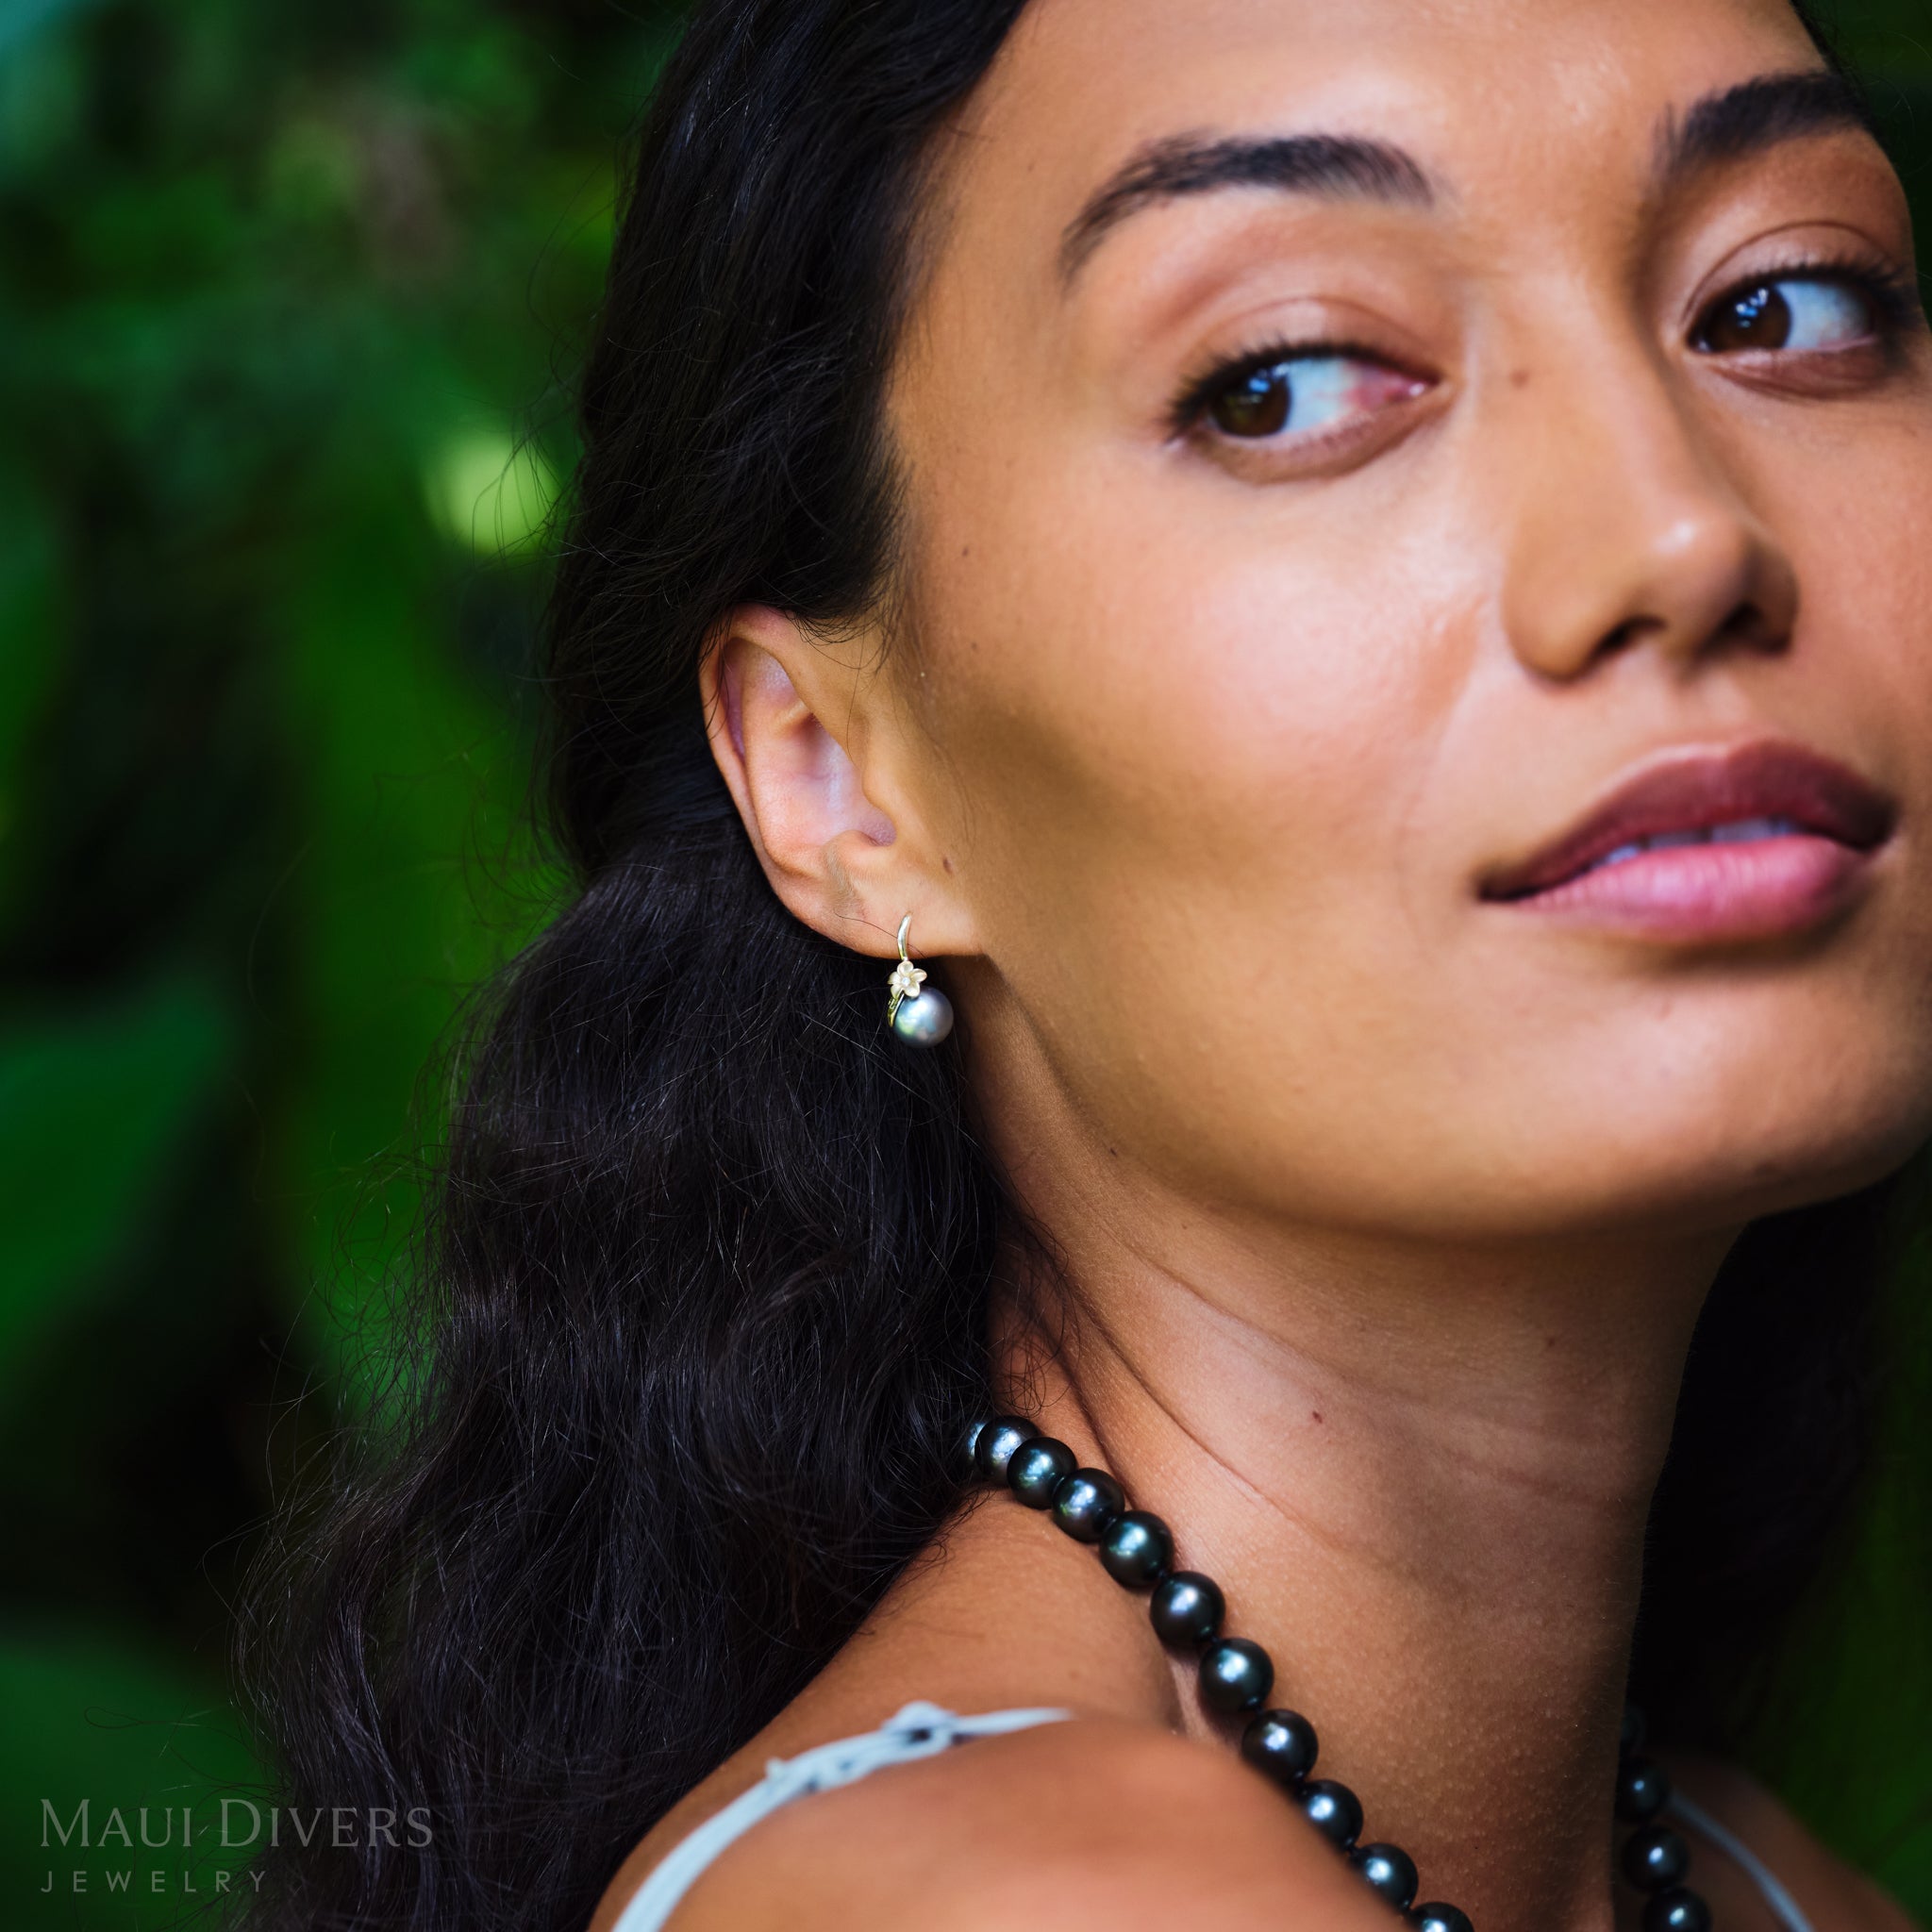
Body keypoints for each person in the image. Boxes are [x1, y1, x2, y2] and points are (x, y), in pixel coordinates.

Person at [242, 1, 1932, 1928]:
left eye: (1787, 306)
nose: (1678, 527)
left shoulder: (1765, 1886)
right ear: (843, 781)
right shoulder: (1019, 1899)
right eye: (1283, 379)